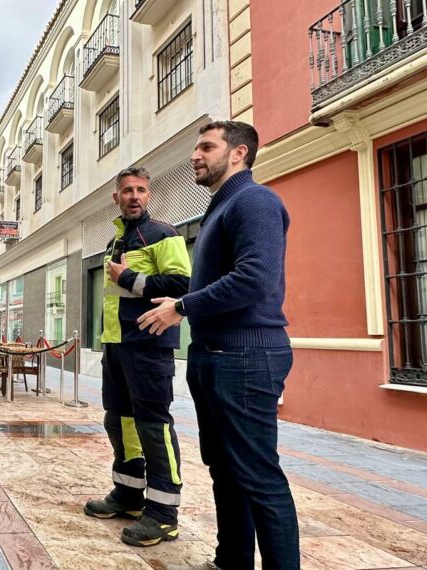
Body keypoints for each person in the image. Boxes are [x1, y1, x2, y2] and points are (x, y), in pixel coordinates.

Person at [137, 120, 299, 569]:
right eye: (196, 148)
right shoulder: (221, 208)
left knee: (258, 477)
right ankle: (231, 560)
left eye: (206, 147)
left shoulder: (255, 201)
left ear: (238, 153)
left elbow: (256, 278)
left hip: (246, 357)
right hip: (215, 357)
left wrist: (182, 307)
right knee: (226, 473)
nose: (195, 155)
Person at [82, 167, 191, 548]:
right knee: (119, 421)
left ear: (149, 195)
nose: (134, 196)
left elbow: (182, 284)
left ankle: (163, 515)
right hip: (116, 346)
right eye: (127, 190)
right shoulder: (118, 239)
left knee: (152, 426)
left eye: (141, 190)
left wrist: (130, 279)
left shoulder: (164, 234)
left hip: (148, 347)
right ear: (116, 197)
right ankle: (128, 494)